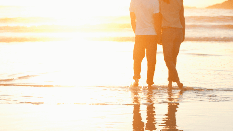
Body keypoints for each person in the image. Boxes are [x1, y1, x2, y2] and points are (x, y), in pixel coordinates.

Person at [130, 0, 161, 87]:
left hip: (139, 34)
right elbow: (156, 19)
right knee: (151, 59)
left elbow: (132, 19)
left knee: (137, 58)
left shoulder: (134, 1)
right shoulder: (155, 1)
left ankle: (136, 79)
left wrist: (136, 31)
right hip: (152, 34)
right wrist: (159, 35)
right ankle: (150, 82)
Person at [160, 0, 185, 89]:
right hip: (178, 30)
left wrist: (159, 34)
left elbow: (158, 17)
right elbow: (182, 17)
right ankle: (170, 84)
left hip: (167, 31)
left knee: (168, 58)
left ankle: (177, 81)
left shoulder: (160, 1)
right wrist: (183, 33)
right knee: (173, 58)